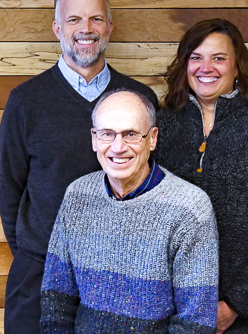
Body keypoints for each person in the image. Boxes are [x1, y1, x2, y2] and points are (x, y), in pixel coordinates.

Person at [0, 0, 158, 334]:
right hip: (38, 276)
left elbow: (151, 185)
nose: (85, 29)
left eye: (95, 19)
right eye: (74, 19)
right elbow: (7, 186)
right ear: (57, 28)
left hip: (121, 275)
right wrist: (37, 246)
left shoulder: (140, 99)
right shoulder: (25, 101)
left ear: (109, 28)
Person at [153, 19, 248, 334]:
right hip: (171, 312)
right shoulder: (159, 128)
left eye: (218, 58)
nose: (206, 67)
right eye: (196, 57)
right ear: (184, 65)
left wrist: (235, 305)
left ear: (237, 68)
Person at [40, 90, 219, 333]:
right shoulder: (77, 195)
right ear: (94, 139)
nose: (118, 146)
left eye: (131, 134)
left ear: (152, 138)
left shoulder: (189, 208)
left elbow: (196, 321)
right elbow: (56, 300)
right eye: (107, 134)